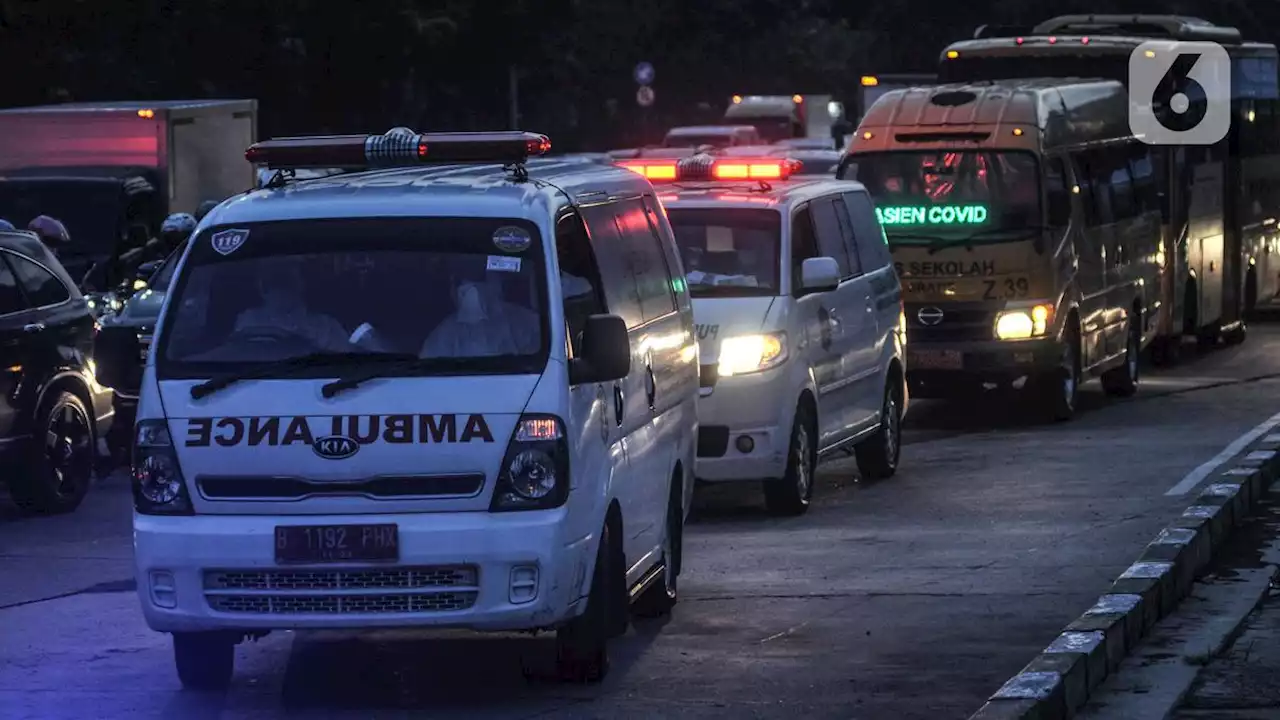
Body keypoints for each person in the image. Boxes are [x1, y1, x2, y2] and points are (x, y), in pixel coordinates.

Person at [421, 258, 539, 357]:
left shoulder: (527, 323)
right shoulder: (442, 337)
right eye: (461, 281)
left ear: (497, 281)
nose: (470, 289)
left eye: (479, 279)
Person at [233, 259, 351, 351]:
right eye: (273, 282)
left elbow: (345, 365)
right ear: (260, 287)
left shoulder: (327, 327)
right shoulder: (248, 321)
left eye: (286, 281)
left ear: (302, 284)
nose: (280, 289)